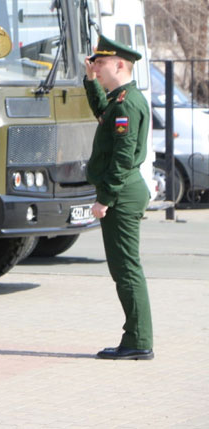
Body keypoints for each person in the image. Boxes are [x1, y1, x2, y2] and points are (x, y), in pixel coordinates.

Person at [84, 35, 154, 360]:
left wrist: (105, 199)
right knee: (124, 267)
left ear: (119, 64)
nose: (96, 67)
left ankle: (138, 340)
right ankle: (137, 337)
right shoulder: (120, 100)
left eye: (100, 63)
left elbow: (122, 157)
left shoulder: (126, 103)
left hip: (122, 193)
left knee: (126, 268)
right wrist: (90, 82)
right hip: (125, 189)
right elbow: (103, 112)